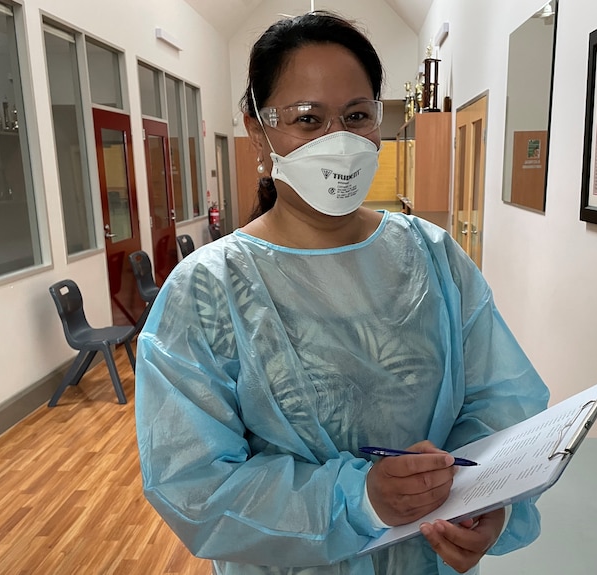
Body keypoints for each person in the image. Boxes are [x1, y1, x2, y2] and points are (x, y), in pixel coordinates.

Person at [135, 11, 549, 575]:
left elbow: (495, 404)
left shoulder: (433, 257)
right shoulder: (208, 290)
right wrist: (360, 501)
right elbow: (196, 484)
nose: (339, 141)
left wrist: (483, 499)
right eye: (308, 120)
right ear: (257, 130)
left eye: (357, 116)